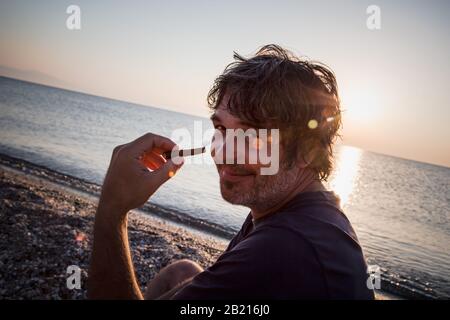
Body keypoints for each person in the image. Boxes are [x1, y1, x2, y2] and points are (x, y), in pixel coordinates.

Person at [88, 44, 374, 300]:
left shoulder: (285, 248)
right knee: (183, 270)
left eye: (252, 136)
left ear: (308, 152)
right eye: (222, 129)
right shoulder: (299, 212)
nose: (221, 152)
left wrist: (113, 209)